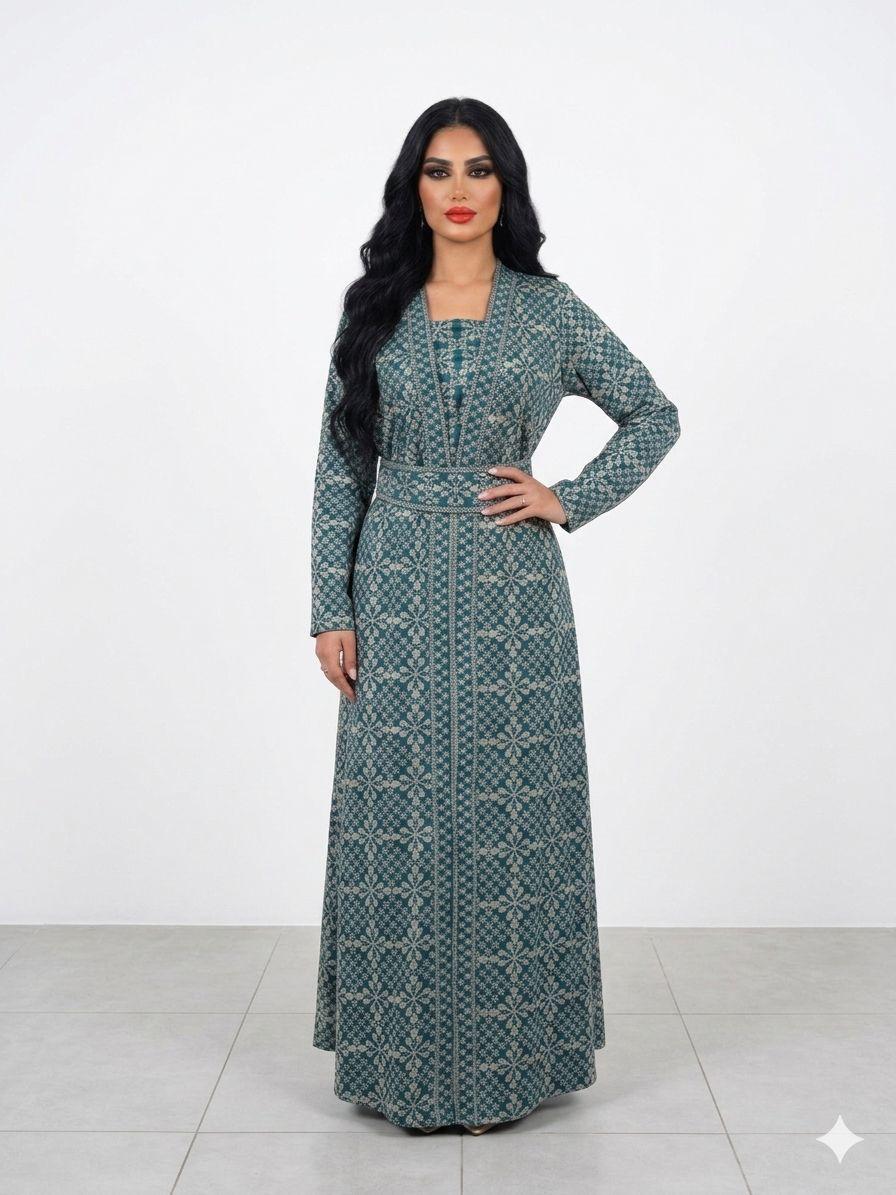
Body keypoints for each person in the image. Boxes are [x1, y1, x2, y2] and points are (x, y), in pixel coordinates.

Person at [309, 96, 681, 1134]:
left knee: (511, 819)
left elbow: (653, 413)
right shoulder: (374, 308)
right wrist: (328, 605)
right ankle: (400, 1069)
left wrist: (569, 496)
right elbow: (340, 464)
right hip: (392, 580)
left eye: (479, 169)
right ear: (414, 189)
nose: (460, 190)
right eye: (439, 171)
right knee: (396, 815)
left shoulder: (547, 310)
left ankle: (505, 1071)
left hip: (512, 592)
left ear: (505, 184)